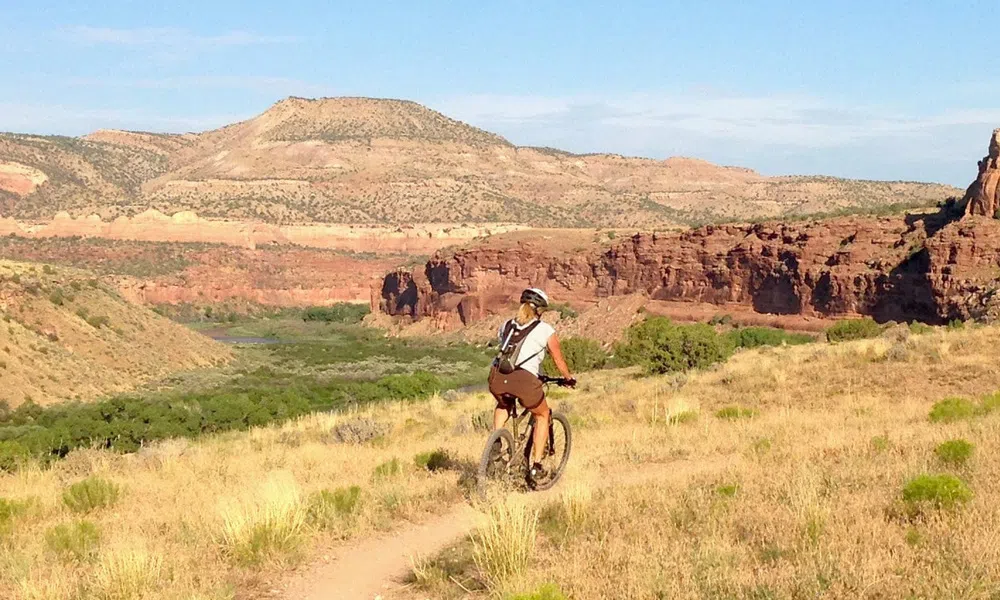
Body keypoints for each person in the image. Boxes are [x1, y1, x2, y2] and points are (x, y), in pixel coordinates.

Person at [488, 287, 575, 482]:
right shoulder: (545, 330)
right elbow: (558, 360)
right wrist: (568, 378)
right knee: (543, 414)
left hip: (497, 376)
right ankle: (536, 465)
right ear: (540, 310)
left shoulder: (507, 325)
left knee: (504, 403)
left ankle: (496, 441)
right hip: (524, 380)